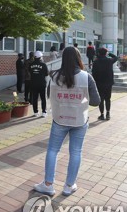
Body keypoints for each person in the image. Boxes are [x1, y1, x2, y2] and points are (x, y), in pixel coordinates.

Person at [34, 47, 100, 196]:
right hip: (80, 120)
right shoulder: (86, 77)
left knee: (52, 150)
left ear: (63, 58)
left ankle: (48, 185)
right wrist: (81, 98)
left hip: (60, 119)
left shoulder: (54, 76)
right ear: (78, 58)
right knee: (75, 152)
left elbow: (50, 96)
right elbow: (96, 101)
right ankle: (69, 186)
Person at [92, 47, 118, 121]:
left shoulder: (96, 62)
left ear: (99, 53)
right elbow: (116, 57)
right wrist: (109, 53)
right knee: (108, 99)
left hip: (99, 83)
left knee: (101, 99)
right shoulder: (109, 61)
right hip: (108, 83)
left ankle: (102, 114)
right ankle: (108, 114)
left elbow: (93, 73)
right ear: (105, 53)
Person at [29, 51, 48, 117]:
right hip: (42, 84)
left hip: (33, 83)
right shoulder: (43, 64)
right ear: (40, 57)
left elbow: (30, 72)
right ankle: (44, 112)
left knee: (35, 98)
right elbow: (46, 74)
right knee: (43, 98)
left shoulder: (31, 64)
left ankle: (35, 112)